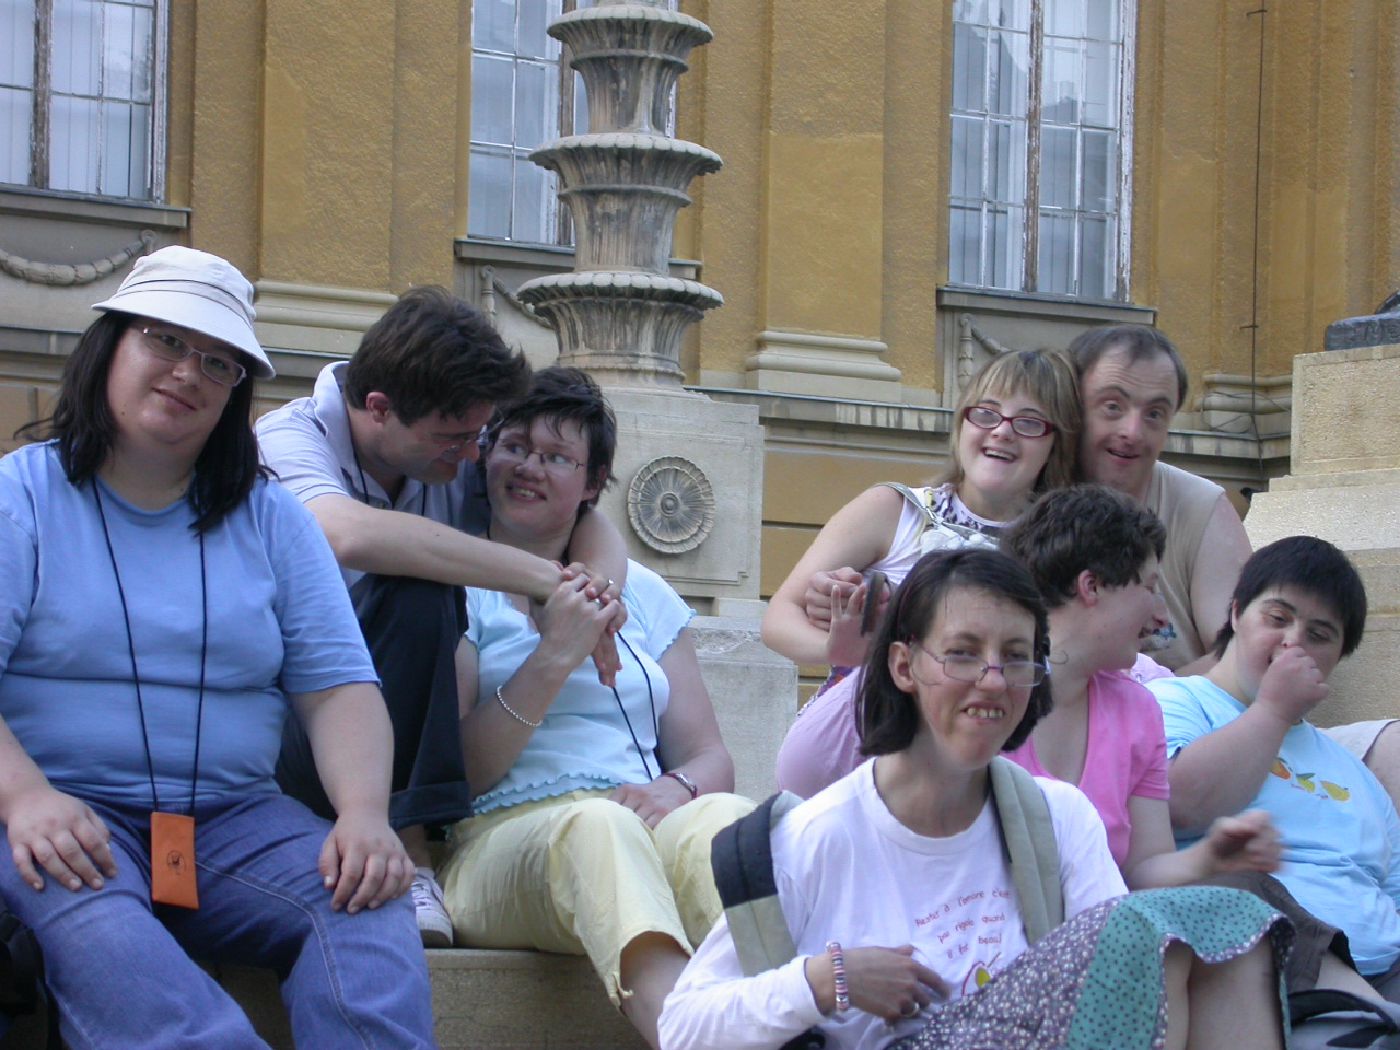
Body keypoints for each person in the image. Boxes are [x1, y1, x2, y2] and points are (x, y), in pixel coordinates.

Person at [0, 246, 433, 1047]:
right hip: (62, 813)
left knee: (367, 896)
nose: (187, 372)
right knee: (100, 929)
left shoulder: (273, 520)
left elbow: (338, 685)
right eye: (163, 341)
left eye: (218, 362)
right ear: (111, 347)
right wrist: (25, 798)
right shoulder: (20, 496)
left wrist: (365, 816)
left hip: (236, 820)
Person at [659, 548, 1291, 1050]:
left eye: (1015, 657)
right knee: (1148, 927)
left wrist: (1210, 865)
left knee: (1232, 921)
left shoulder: (1057, 818)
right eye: (963, 654)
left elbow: (1115, 990)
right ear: (904, 667)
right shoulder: (813, 838)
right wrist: (826, 981)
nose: (993, 680)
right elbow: (682, 1027)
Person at [257, 287, 629, 945]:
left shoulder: (442, 444)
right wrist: (547, 580)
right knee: (416, 582)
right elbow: (346, 534)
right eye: (457, 439)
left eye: (479, 437)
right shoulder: (289, 438)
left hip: (394, 737)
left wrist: (595, 598)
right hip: (296, 734)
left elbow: (587, 517)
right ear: (378, 409)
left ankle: (416, 842)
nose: (472, 459)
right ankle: (415, 857)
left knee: (425, 591)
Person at [435, 367, 753, 1050]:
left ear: (592, 481)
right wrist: (554, 655)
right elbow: (459, 773)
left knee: (728, 821)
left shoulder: (647, 596)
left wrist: (678, 786)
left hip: (632, 820)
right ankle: (693, 1038)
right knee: (596, 830)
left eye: (556, 457)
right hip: (497, 842)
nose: (528, 467)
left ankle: (812, 1021)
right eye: (514, 445)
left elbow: (711, 756)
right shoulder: (455, 586)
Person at [764, 349, 1081, 798]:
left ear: (1056, 443)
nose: (1002, 432)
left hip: (983, 777)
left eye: (1029, 422)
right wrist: (837, 646)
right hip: (848, 766)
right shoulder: (893, 511)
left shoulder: (1059, 553)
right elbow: (779, 616)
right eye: (986, 413)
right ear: (962, 424)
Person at [1152, 536, 1400, 1003]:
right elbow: (1180, 804)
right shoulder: (1174, 702)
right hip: (1270, 964)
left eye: (1319, 635)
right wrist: (1272, 711)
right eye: (1278, 618)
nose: (1293, 641)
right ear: (1235, 612)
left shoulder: (1353, 770)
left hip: (1385, 964)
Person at [1000, 485, 1279, 889]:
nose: (1160, 616)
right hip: (990, 931)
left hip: (1102, 933)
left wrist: (1208, 857)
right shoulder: (991, 690)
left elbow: (1145, 868)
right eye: (1149, 588)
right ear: (1091, 586)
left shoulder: (1137, 710)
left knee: (1237, 904)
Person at [1067, 323, 1251, 675]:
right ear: (1073, 407)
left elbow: (1244, 651)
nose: (1132, 432)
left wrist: (1141, 705)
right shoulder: (1031, 495)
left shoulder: (1200, 507)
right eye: (1112, 406)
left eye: (1154, 414)